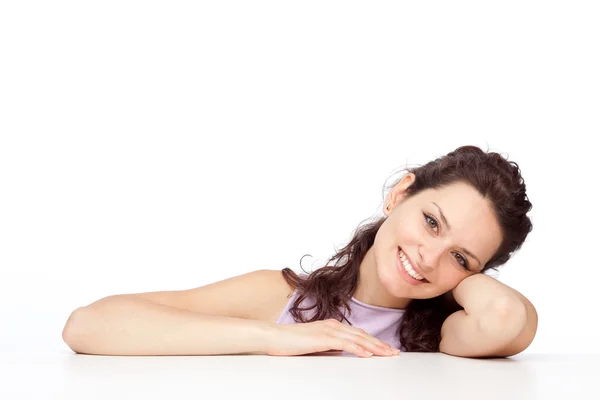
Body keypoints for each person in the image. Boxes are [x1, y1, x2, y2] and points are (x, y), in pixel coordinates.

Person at [62, 145, 537, 359]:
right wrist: (273, 337)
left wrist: (464, 277)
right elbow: (87, 325)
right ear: (399, 194)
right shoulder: (285, 298)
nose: (429, 256)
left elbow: (504, 319)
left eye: (461, 258)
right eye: (431, 222)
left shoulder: (446, 334)